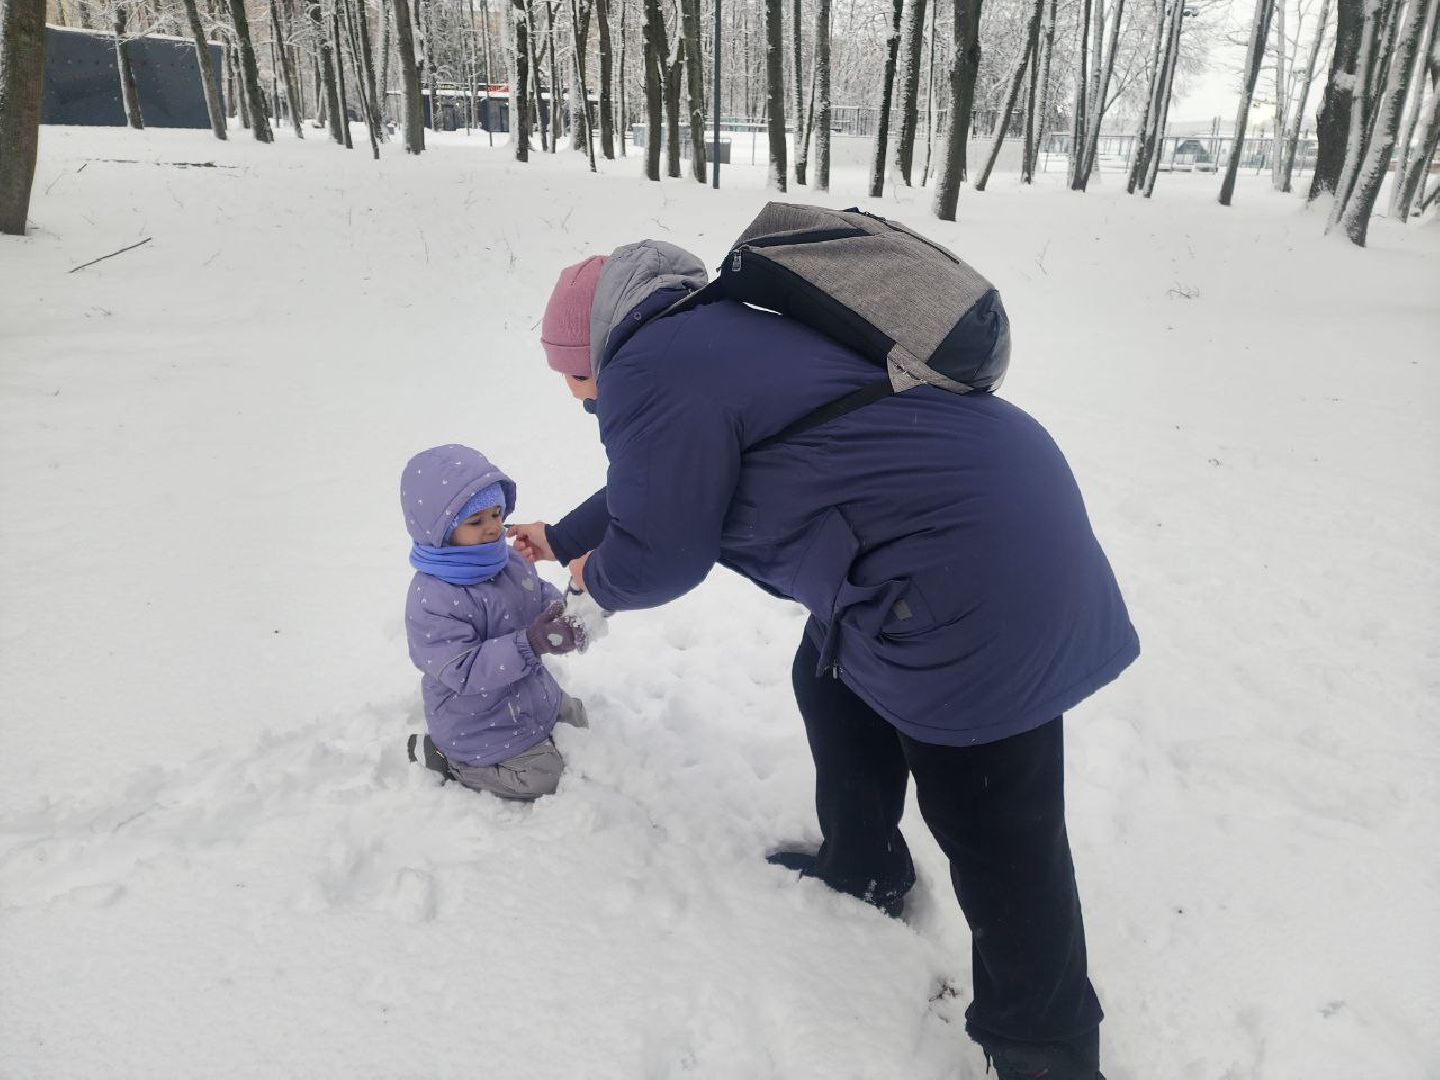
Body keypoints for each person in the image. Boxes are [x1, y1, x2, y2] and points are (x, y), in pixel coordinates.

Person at [508, 244, 1139, 1079]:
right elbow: (664, 476)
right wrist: (562, 539)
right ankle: (866, 863)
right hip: (980, 525)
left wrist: (598, 578)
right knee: (831, 678)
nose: (576, 396)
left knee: (998, 830)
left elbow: (663, 550)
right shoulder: (711, 333)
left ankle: (1045, 1051)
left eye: (569, 378)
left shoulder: (651, 368)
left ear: (589, 353)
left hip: (969, 581)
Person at [402, 443, 590, 801]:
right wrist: (534, 642)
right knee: (544, 778)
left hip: (527, 691)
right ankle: (450, 763)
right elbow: (465, 671)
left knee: (578, 718)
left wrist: (566, 610)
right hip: (476, 722)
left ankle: (540, 720)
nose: (491, 528)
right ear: (439, 531)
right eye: (475, 521)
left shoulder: (507, 561)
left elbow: (536, 595)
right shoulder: (433, 599)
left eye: (495, 515)